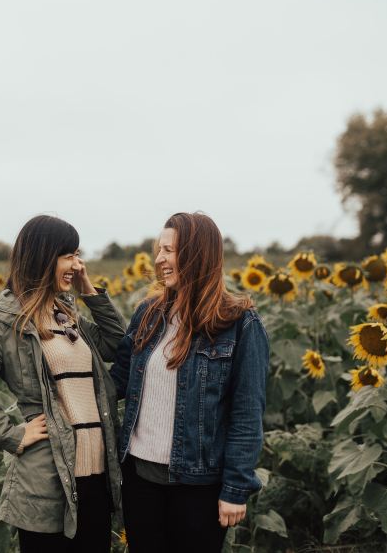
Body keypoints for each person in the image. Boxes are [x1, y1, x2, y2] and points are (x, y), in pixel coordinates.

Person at [0, 215, 125, 553]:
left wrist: (88, 289)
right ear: (42, 256)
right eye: (67, 254)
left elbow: (118, 344)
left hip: (96, 477)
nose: (77, 263)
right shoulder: (6, 321)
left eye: (78, 253)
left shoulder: (65, 315)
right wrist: (11, 434)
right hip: (48, 483)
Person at [109, 212, 269, 553]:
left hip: (199, 486)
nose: (159, 259)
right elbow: (118, 381)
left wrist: (235, 490)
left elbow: (247, 413)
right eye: (158, 250)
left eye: (169, 250)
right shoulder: (149, 314)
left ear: (197, 254)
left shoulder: (239, 324)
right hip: (139, 479)